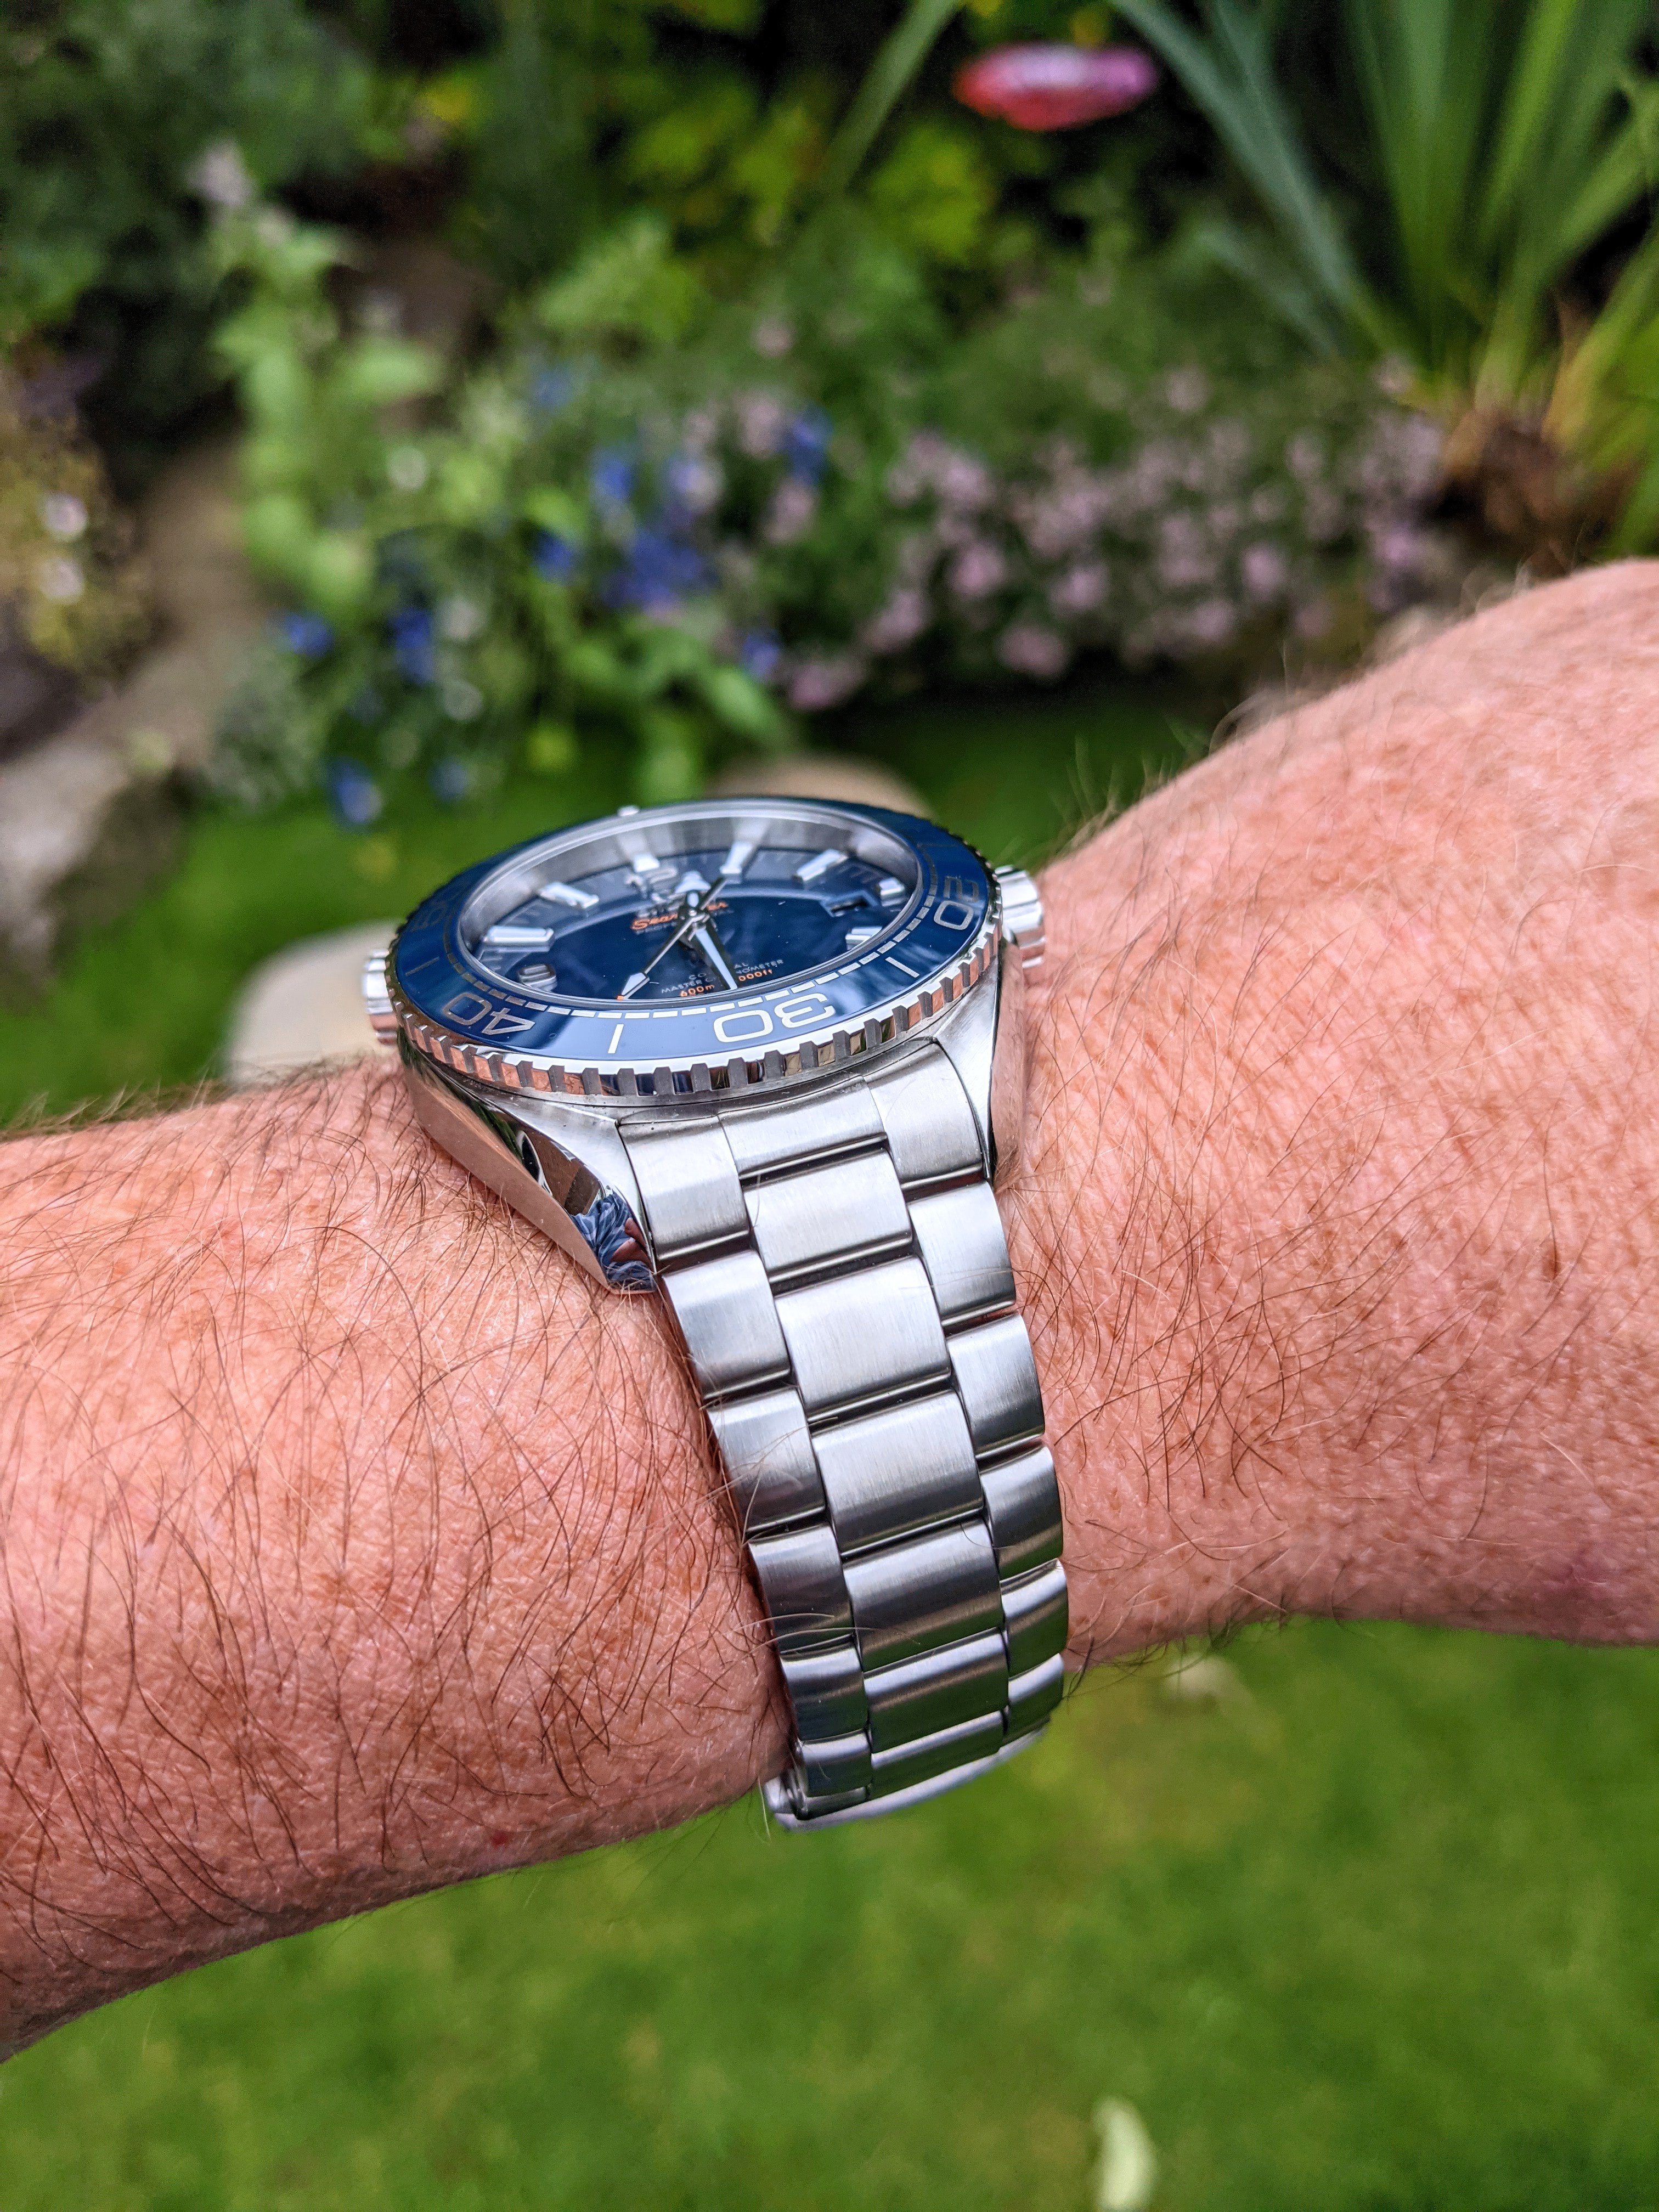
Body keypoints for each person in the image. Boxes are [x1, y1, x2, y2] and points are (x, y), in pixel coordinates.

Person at [3, 562, 1657, 2056]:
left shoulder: (957, 1026)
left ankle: (927, 1680)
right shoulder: (568, 1142)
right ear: (415, 1019)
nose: (683, 908)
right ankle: (929, 1681)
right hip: (654, 1117)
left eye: (701, 901)